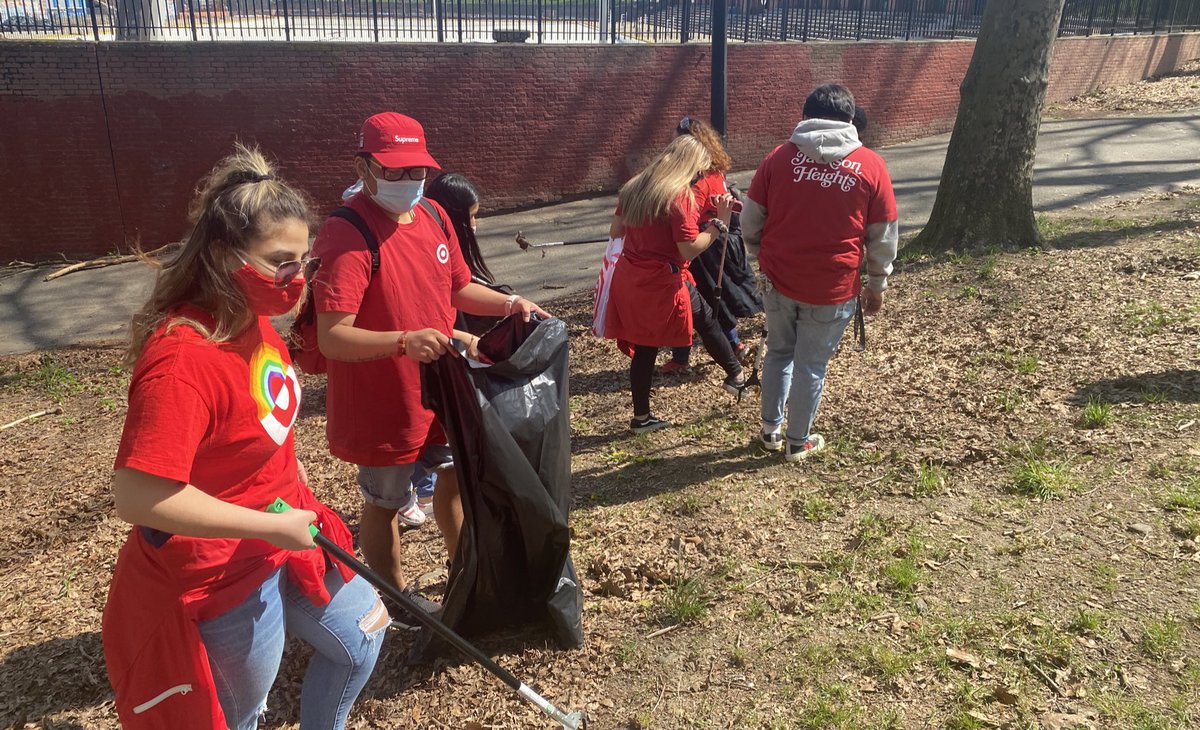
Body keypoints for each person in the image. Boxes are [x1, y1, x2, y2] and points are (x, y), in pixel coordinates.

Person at [102, 146, 386, 730]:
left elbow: (263, 428)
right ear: (222, 256)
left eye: (305, 260)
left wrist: (294, 493)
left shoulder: (251, 323)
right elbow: (138, 496)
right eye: (280, 261)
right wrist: (268, 526)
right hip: (222, 570)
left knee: (363, 636)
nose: (297, 279)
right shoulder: (182, 360)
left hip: (291, 527)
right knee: (240, 715)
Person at [311, 112, 547, 612]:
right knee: (386, 503)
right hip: (383, 397)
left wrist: (510, 304)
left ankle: (467, 573)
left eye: (415, 170)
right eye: (393, 171)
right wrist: (402, 343)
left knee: (454, 483)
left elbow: (457, 287)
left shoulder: (435, 216)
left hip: (442, 384)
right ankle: (398, 602)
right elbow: (333, 337)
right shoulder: (347, 231)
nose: (407, 182)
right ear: (365, 166)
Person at [741, 84, 899, 461]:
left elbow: (750, 219)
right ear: (850, 119)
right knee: (811, 365)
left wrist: (758, 253)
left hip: (778, 279)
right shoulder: (872, 165)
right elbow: (883, 234)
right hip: (833, 284)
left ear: (805, 114)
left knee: (779, 352)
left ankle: (770, 431)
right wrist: (877, 283)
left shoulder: (778, 159)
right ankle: (798, 440)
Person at [605, 134, 749, 434]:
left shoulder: (634, 186)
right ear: (690, 165)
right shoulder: (679, 195)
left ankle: (642, 417)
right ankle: (735, 377)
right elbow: (689, 248)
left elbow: (616, 230)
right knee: (704, 322)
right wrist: (717, 223)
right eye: (700, 169)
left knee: (652, 344)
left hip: (631, 275)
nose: (700, 175)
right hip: (663, 280)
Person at [662, 116, 763, 374]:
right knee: (712, 302)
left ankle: (685, 356)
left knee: (697, 303)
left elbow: (687, 216)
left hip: (706, 245)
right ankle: (734, 345)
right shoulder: (716, 170)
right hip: (722, 241)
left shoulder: (697, 181)